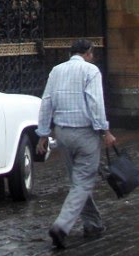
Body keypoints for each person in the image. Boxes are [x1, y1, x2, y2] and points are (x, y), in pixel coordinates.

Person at [36, 39, 116, 250]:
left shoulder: (56, 71)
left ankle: (94, 223)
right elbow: (95, 102)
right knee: (82, 182)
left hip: (62, 134)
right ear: (88, 53)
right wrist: (105, 130)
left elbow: (47, 101)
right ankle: (61, 226)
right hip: (85, 133)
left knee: (78, 181)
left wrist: (43, 133)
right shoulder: (91, 71)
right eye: (93, 53)